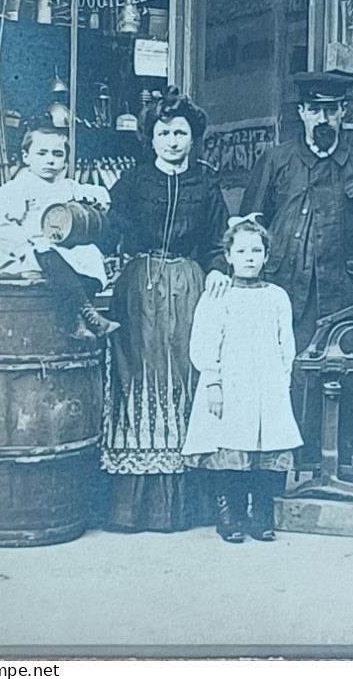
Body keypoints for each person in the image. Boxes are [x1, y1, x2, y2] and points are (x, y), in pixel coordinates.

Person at [239, 71, 353, 467]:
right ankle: (287, 466)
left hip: (344, 296)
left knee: (347, 377)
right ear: (302, 113)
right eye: (314, 110)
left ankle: (342, 466)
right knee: (292, 377)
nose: (323, 119)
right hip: (285, 293)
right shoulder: (277, 160)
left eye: (330, 111)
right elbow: (249, 227)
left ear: (343, 114)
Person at [101, 86, 230, 533]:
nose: (173, 141)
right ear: (150, 138)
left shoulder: (207, 182)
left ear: (193, 137)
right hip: (140, 290)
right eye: (163, 133)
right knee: (139, 374)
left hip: (191, 290)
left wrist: (217, 268)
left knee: (186, 375)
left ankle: (188, 502)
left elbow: (217, 241)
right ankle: (135, 506)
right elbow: (108, 231)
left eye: (181, 133)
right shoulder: (133, 182)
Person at [182, 216, 302, 543]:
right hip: (230, 385)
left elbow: (285, 344)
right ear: (229, 256)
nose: (249, 257)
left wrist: (282, 382)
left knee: (266, 454)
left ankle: (260, 514)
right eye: (242, 251)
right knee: (230, 452)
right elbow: (204, 343)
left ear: (266, 256)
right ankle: (229, 515)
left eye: (256, 251)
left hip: (268, 385)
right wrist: (213, 383)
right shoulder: (218, 295)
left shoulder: (277, 296)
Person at [0, 122, 117, 340]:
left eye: (57, 154)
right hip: (24, 256)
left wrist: (91, 202)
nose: (50, 160)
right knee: (48, 253)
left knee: (92, 255)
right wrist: (25, 246)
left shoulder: (68, 186)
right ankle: (88, 315)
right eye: (42, 153)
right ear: (26, 157)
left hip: (61, 250)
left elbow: (101, 199)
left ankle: (77, 320)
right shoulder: (15, 189)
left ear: (65, 160)